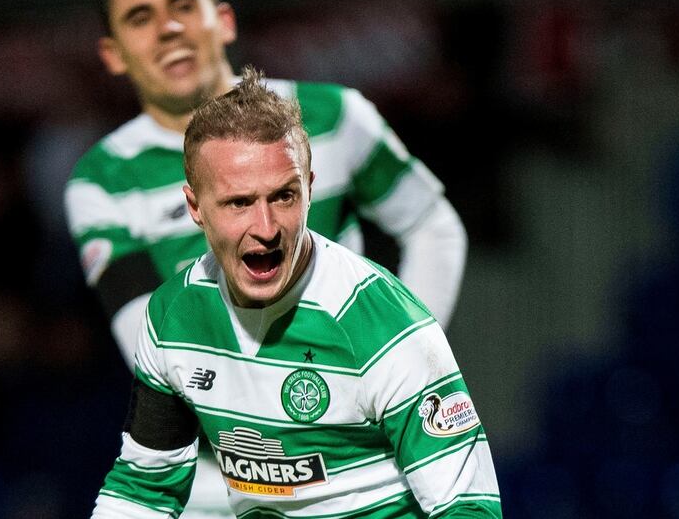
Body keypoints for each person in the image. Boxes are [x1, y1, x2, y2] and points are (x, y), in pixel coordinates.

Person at [64, 0, 470, 515]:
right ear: (112, 55)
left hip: (355, 455)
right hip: (215, 477)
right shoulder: (103, 179)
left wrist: (397, 362)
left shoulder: (333, 116)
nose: (169, 27)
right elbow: (146, 337)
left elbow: (433, 225)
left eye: (183, 4)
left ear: (224, 20)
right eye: (141, 17)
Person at [89, 67, 501, 518]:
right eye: (239, 202)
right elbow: (144, 489)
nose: (265, 229)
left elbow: (468, 508)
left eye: (283, 197)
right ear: (195, 208)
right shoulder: (173, 317)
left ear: (309, 190)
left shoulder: (381, 323)